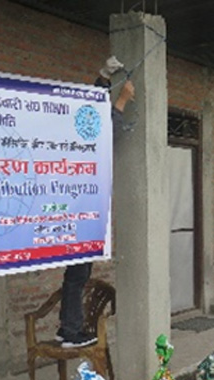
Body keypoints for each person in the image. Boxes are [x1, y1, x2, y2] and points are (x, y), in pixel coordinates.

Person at [57, 56, 134, 347]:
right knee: (78, 273)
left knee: (76, 274)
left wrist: (103, 79)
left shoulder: (76, 132)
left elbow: (94, 115)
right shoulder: (83, 141)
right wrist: (123, 100)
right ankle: (70, 330)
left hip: (75, 209)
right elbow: (103, 131)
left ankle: (67, 327)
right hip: (79, 211)